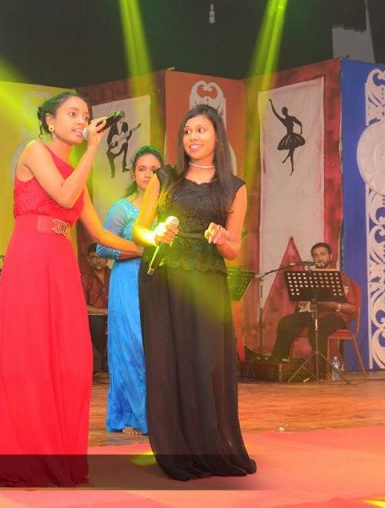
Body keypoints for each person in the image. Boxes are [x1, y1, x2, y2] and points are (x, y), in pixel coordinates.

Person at [0, 91, 138, 487]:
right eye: (72, 113)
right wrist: (93, 148)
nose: (81, 120)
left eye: (85, 115)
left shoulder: (75, 172)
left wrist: (145, 248)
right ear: (50, 121)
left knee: (70, 359)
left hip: (60, 261)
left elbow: (99, 233)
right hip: (31, 257)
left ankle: (57, 450)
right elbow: (65, 195)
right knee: (30, 355)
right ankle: (27, 452)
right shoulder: (35, 151)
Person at [133, 104, 255, 481]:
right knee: (168, 364)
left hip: (207, 281)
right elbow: (139, 230)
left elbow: (234, 250)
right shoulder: (165, 178)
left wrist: (222, 239)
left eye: (200, 130)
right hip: (164, 278)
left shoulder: (234, 187)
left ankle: (209, 447)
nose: (192, 137)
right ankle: (176, 451)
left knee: (206, 363)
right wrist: (155, 234)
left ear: (217, 136)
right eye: (187, 131)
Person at [97, 145, 163, 436]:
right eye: (141, 169)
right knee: (132, 346)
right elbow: (102, 248)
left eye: (154, 169)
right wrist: (140, 249)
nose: (147, 174)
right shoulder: (122, 208)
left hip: (159, 282)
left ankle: (157, 414)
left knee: (156, 348)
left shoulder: (168, 210)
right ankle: (131, 416)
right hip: (127, 281)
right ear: (133, 174)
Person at [269, 242, 358, 364]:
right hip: (314, 315)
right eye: (315, 255)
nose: (319, 258)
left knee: (317, 328)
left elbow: (352, 308)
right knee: (286, 322)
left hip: (336, 317)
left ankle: (320, 369)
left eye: (322, 254)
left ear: (331, 256)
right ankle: (280, 364)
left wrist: (335, 306)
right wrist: (303, 302)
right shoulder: (309, 278)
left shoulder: (342, 278)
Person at [81, 243, 111, 374]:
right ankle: (101, 361)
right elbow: (80, 305)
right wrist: (104, 312)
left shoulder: (113, 275)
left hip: (114, 315)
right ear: (88, 259)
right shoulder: (84, 278)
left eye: (101, 257)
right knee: (97, 323)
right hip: (94, 317)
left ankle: (111, 361)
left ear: (107, 259)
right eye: (94, 257)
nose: (98, 260)